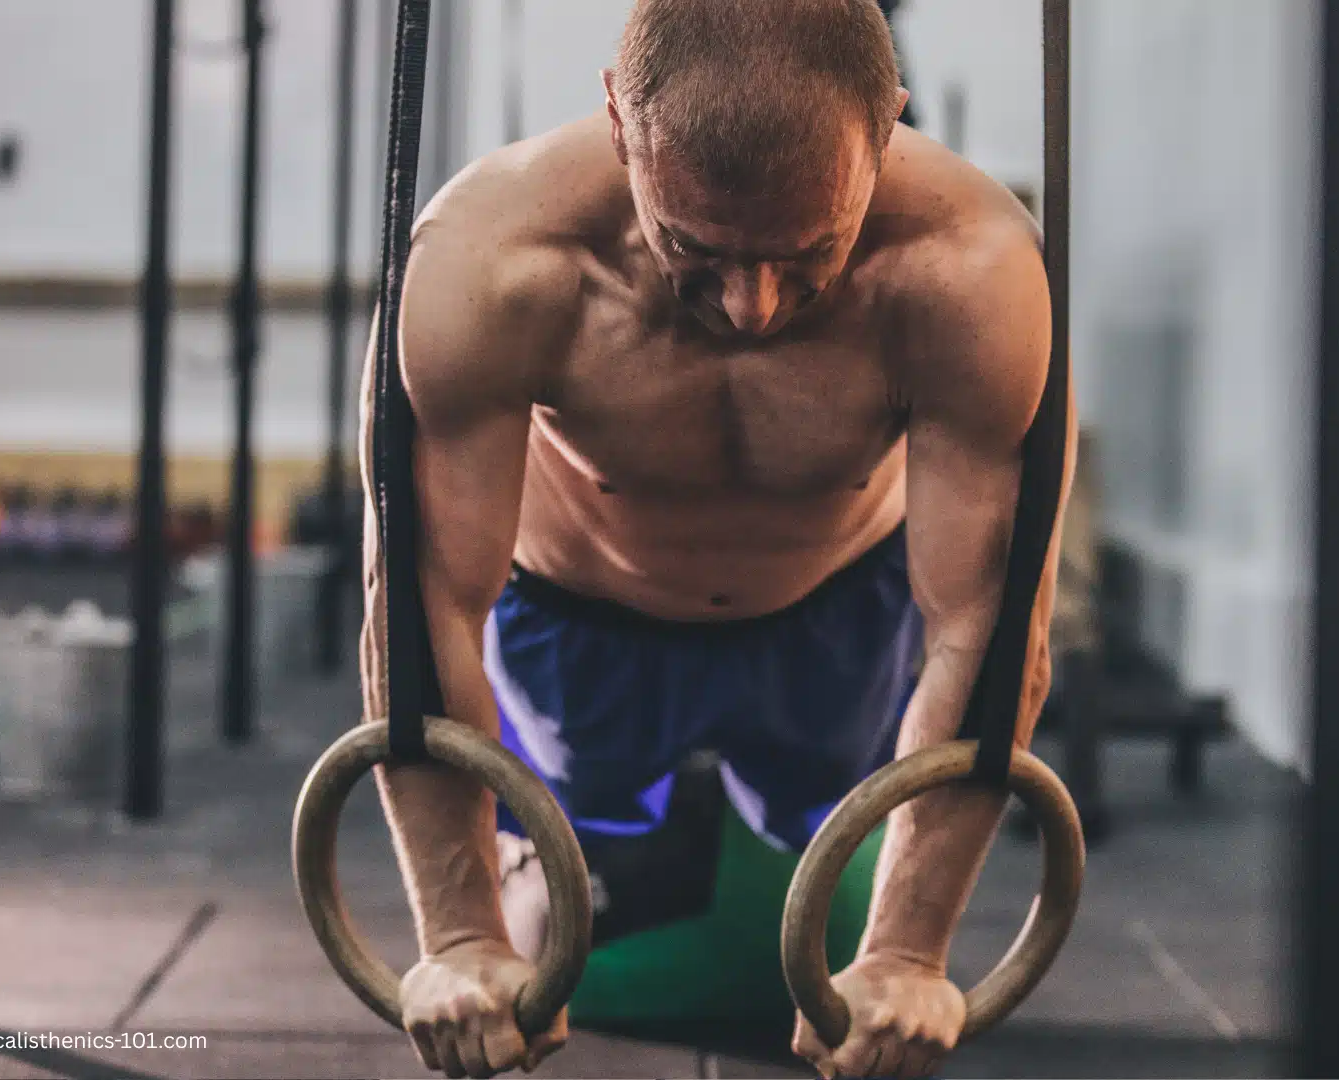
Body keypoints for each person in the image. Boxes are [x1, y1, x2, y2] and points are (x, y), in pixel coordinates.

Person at [358, 1, 1071, 1077]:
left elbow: (990, 624)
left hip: (834, 619)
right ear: (616, 117)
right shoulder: (494, 260)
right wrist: (458, 938)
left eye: (806, 253)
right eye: (692, 246)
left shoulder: (967, 269)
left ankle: (771, 856)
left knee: (833, 923)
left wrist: (911, 951)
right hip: (584, 620)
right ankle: (560, 864)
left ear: (886, 133)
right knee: (554, 919)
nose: (752, 307)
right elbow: (418, 603)